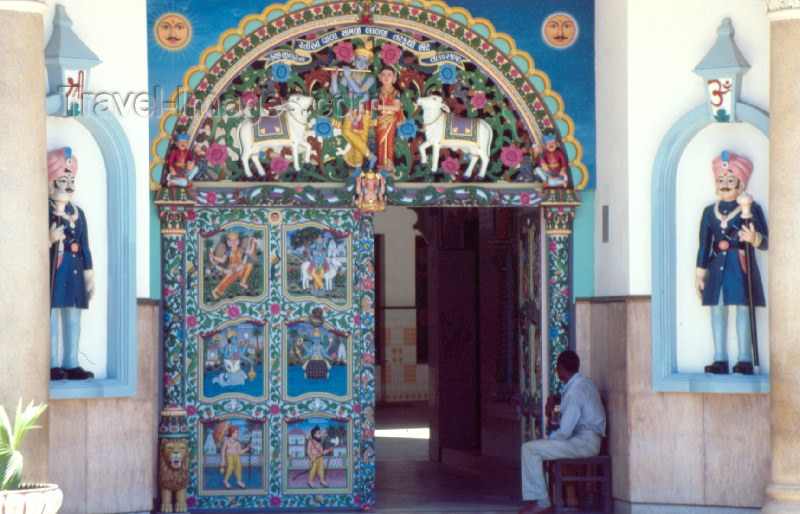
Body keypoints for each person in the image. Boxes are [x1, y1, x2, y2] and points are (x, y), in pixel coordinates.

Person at [696, 151, 767, 375]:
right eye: (721, 180)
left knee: (743, 310)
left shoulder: (751, 209)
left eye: (730, 180)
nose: (725, 184)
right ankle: (720, 358)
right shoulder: (709, 212)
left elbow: (765, 241)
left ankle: (745, 358)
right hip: (717, 266)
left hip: (740, 265)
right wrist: (700, 273)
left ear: (740, 182)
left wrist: (753, 238)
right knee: (718, 310)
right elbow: (704, 244)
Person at [519, 351, 606, 514]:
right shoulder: (583, 382)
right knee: (537, 448)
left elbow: (564, 432)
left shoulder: (574, 392)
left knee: (529, 449)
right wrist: (554, 397)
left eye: (558, 370)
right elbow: (570, 396)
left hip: (584, 442)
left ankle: (543, 503)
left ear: (560, 369)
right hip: (589, 440)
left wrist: (548, 440)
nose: (557, 373)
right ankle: (542, 500)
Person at [48, 147, 96, 381]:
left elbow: (85, 246)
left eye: (71, 180)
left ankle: (71, 362)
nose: (68, 185)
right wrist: (49, 239)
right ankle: (52, 363)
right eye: (62, 180)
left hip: (74, 269)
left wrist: (89, 276)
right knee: (51, 315)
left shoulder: (78, 212)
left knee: (73, 316)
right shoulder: (45, 209)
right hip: (55, 268)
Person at [330, 40, 377, 171]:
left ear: (368, 65)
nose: (361, 63)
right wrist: (334, 78)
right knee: (346, 131)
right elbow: (336, 92)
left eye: (365, 61)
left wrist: (349, 76)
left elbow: (360, 91)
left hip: (364, 110)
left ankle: (358, 167)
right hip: (350, 109)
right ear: (353, 61)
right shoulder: (347, 76)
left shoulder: (370, 77)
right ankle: (370, 156)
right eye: (359, 60)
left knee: (361, 137)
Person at [208, 230, 257, 300]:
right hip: (232, 269)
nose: (233, 242)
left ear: (238, 241)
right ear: (229, 243)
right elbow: (222, 260)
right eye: (231, 240)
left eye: (235, 240)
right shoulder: (228, 252)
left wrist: (253, 243)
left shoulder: (241, 249)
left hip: (241, 267)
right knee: (227, 279)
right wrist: (213, 257)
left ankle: (243, 282)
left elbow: (250, 252)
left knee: (249, 265)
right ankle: (214, 291)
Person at [374, 67, 404, 172]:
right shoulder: (377, 91)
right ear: (380, 77)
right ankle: (381, 164)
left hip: (391, 119)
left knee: (390, 141)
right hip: (380, 119)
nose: (386, 77)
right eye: (383, 74)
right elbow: (374, 105)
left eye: (389, 75)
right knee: (380, 142)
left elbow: (396, 107)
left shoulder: (396, 93)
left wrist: (381, 107)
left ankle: (390, 164)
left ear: (394, 78)